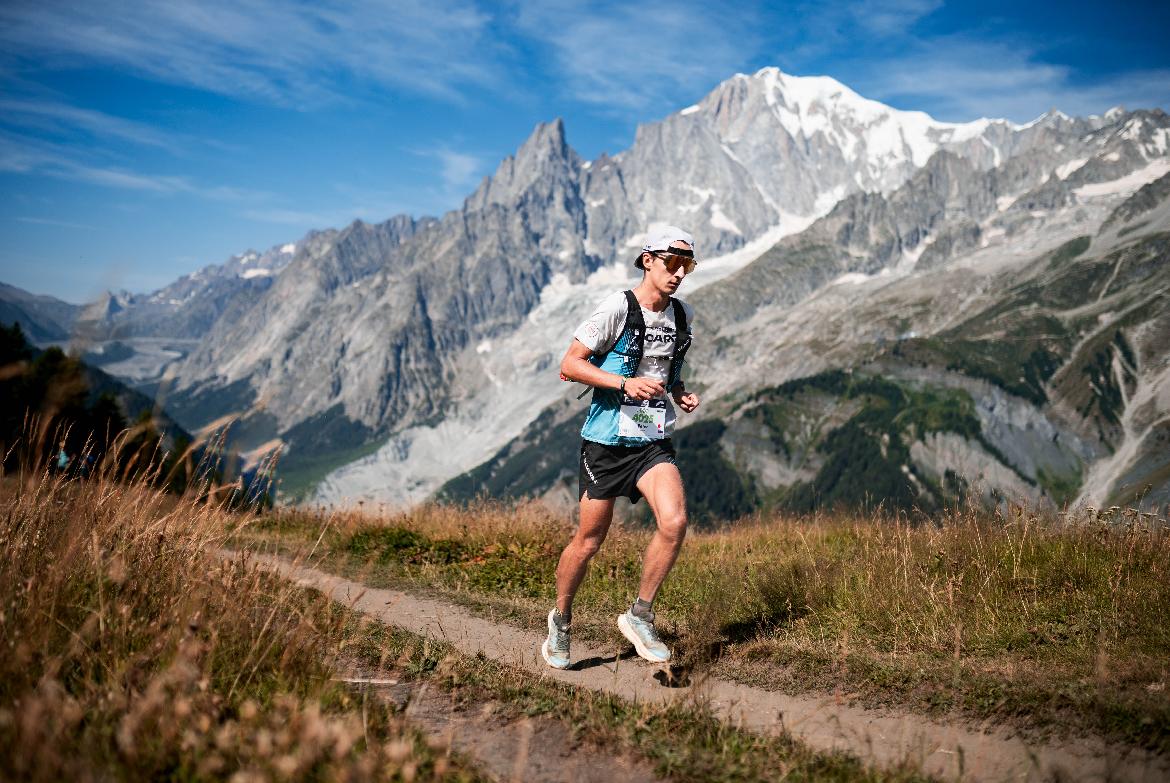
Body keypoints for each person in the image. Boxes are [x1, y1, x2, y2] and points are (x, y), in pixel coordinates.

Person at [542, 225, 701, 669]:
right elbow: (570, 364)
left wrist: (678, 391)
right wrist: (624, 383)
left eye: (686, 265)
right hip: (606, 442)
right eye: (672, 263)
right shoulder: (618, 306)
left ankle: (640, 615)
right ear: (647, 259)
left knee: (675, 521)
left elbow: (665, 369)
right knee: (589, 541)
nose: (679, 273)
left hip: (651, 440)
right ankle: (561, 619)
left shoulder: (682, 315)